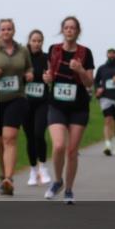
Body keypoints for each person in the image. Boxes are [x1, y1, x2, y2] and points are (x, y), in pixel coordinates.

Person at [41, 16, 95, 204]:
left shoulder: (85, 53)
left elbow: (89, 82)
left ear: (78, 31)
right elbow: (49, 76)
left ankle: (69, 189)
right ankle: (57, 181)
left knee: (72, 150)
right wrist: (47, 78)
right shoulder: (54, 50)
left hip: (79, 107)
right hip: (57, 104)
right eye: (66, 27)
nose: (70, 30)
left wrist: (80, 70)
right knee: (58, 146)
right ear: (62, 30)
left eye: (73, 28)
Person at [0, 19, 34, 196]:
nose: (6, 31)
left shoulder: (23, 51)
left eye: (9, 29)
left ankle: (9, 179)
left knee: (10, 137)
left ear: (14, 31)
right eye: (3, 29)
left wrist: (29, 74)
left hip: (16, 98)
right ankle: (2, 175)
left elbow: (29, 68)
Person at [24, 29, 53, 185]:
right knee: (29, 137)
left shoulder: (46, 58)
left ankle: (43, 166)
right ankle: (33, 170)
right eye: (34, 40)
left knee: (39, 133)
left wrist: (49, 78)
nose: (36, 43)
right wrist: (24, 76)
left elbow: (52, 77)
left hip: (42, 101)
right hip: (25, 102)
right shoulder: (23, 57)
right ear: (29, 41)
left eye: (39, 41)